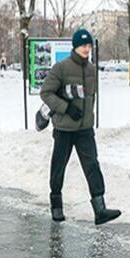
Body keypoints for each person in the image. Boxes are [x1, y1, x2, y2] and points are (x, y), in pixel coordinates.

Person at [41, 28, 121, 225]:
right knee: (59, 166)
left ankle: (100, 209)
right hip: (64, 128)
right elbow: (46, 93)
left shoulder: (92, 70)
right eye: (83, 45)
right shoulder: (61, 68)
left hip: (85, 129)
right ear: (75, 46)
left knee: (92, 165)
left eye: (88, 46)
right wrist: (66, 108)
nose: (86, 49)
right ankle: (57, 205)